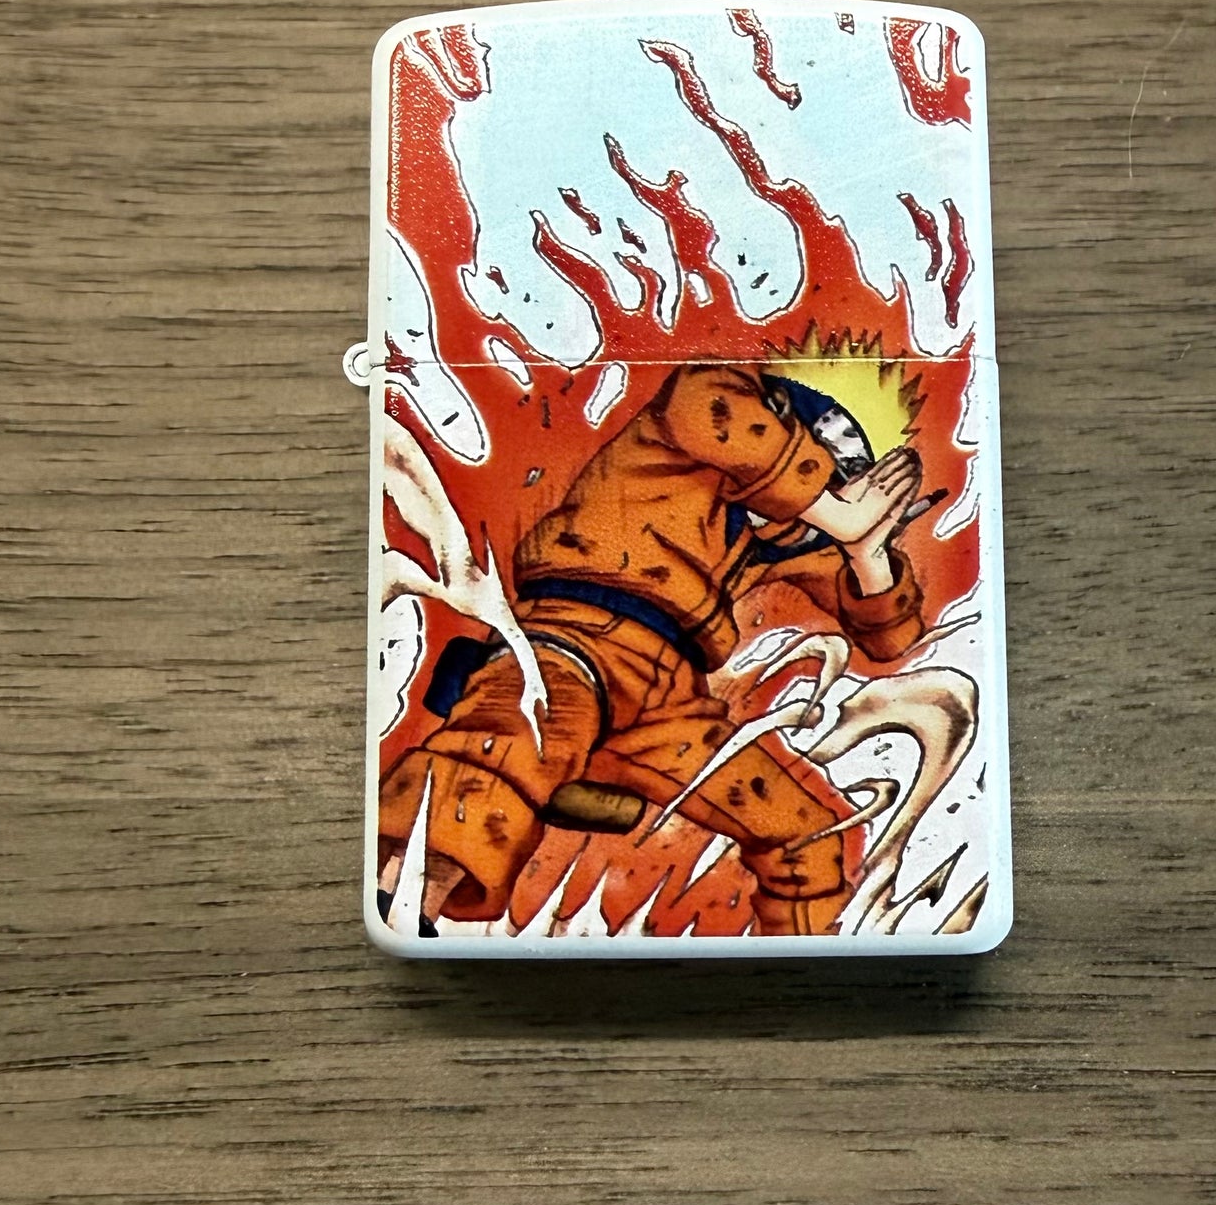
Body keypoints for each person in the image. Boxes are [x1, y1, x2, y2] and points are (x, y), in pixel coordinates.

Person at [377, 360, 928, 935]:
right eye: (818, 482)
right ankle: (403, 902)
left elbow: (892, 639)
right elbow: (707, 401)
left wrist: (866, 553)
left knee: (802, 834)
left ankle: (796, 967)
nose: (811, 508)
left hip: (669, 705)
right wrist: (839, 513)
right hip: (572, 640)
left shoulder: (786, 535)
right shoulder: (691, 423)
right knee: (497, 753)